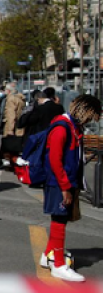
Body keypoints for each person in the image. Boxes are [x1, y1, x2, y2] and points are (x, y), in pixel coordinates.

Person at [41, 95, 102, 281]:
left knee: (60, 219)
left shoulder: (72, 126)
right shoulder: (62, 128)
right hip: (59, 183)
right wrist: (65, 187)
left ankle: (48, 255)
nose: (90, 121)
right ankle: (58, 264)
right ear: (84, 111)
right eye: (90, 117)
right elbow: (55, 160)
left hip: (65, 182)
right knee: (59, 220)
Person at [0, 82, 25, 167]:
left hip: (11, 125)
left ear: (8, 91)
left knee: (8, 146)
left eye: (5, 90)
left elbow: (11, 115)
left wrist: (10, 129)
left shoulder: (11, 99)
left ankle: (9, 162)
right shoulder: (20, 97)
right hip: (19, 125)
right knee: (14, 147)